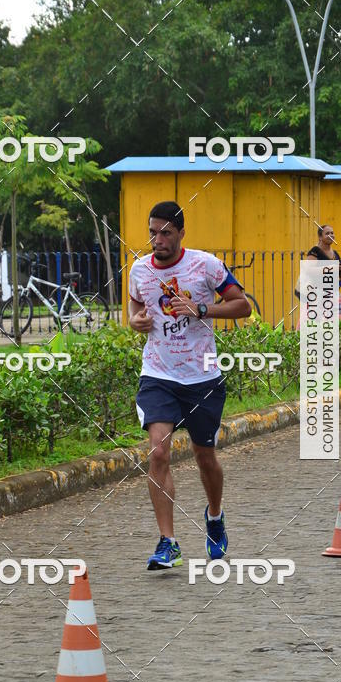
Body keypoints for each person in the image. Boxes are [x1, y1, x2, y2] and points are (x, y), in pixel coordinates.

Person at [128, 201, 252, 571]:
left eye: (166, 232)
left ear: (181, 232)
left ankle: (214, 516)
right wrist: (135, 320)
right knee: (158, 452)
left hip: (202, 378)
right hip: (158, 374)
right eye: (153, 232)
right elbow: (134, 306)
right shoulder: (139, 270)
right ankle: (168, 543)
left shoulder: (206, 265)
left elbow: (242, 305)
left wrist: (202, 310)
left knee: (204, 456)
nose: (158, 240)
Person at [303, 224, 341, 360]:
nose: (331, 235)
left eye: (332, 233)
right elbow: (309, 270)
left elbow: (340, 277)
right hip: (318, 295)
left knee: (337, 325)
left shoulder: (335, 254)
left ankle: (339, 358)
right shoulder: (315, 251)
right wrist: (330, 268)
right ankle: (314, 356)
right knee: (317, 325)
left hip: (333, 295)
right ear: (320, 237)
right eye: (327, 233)